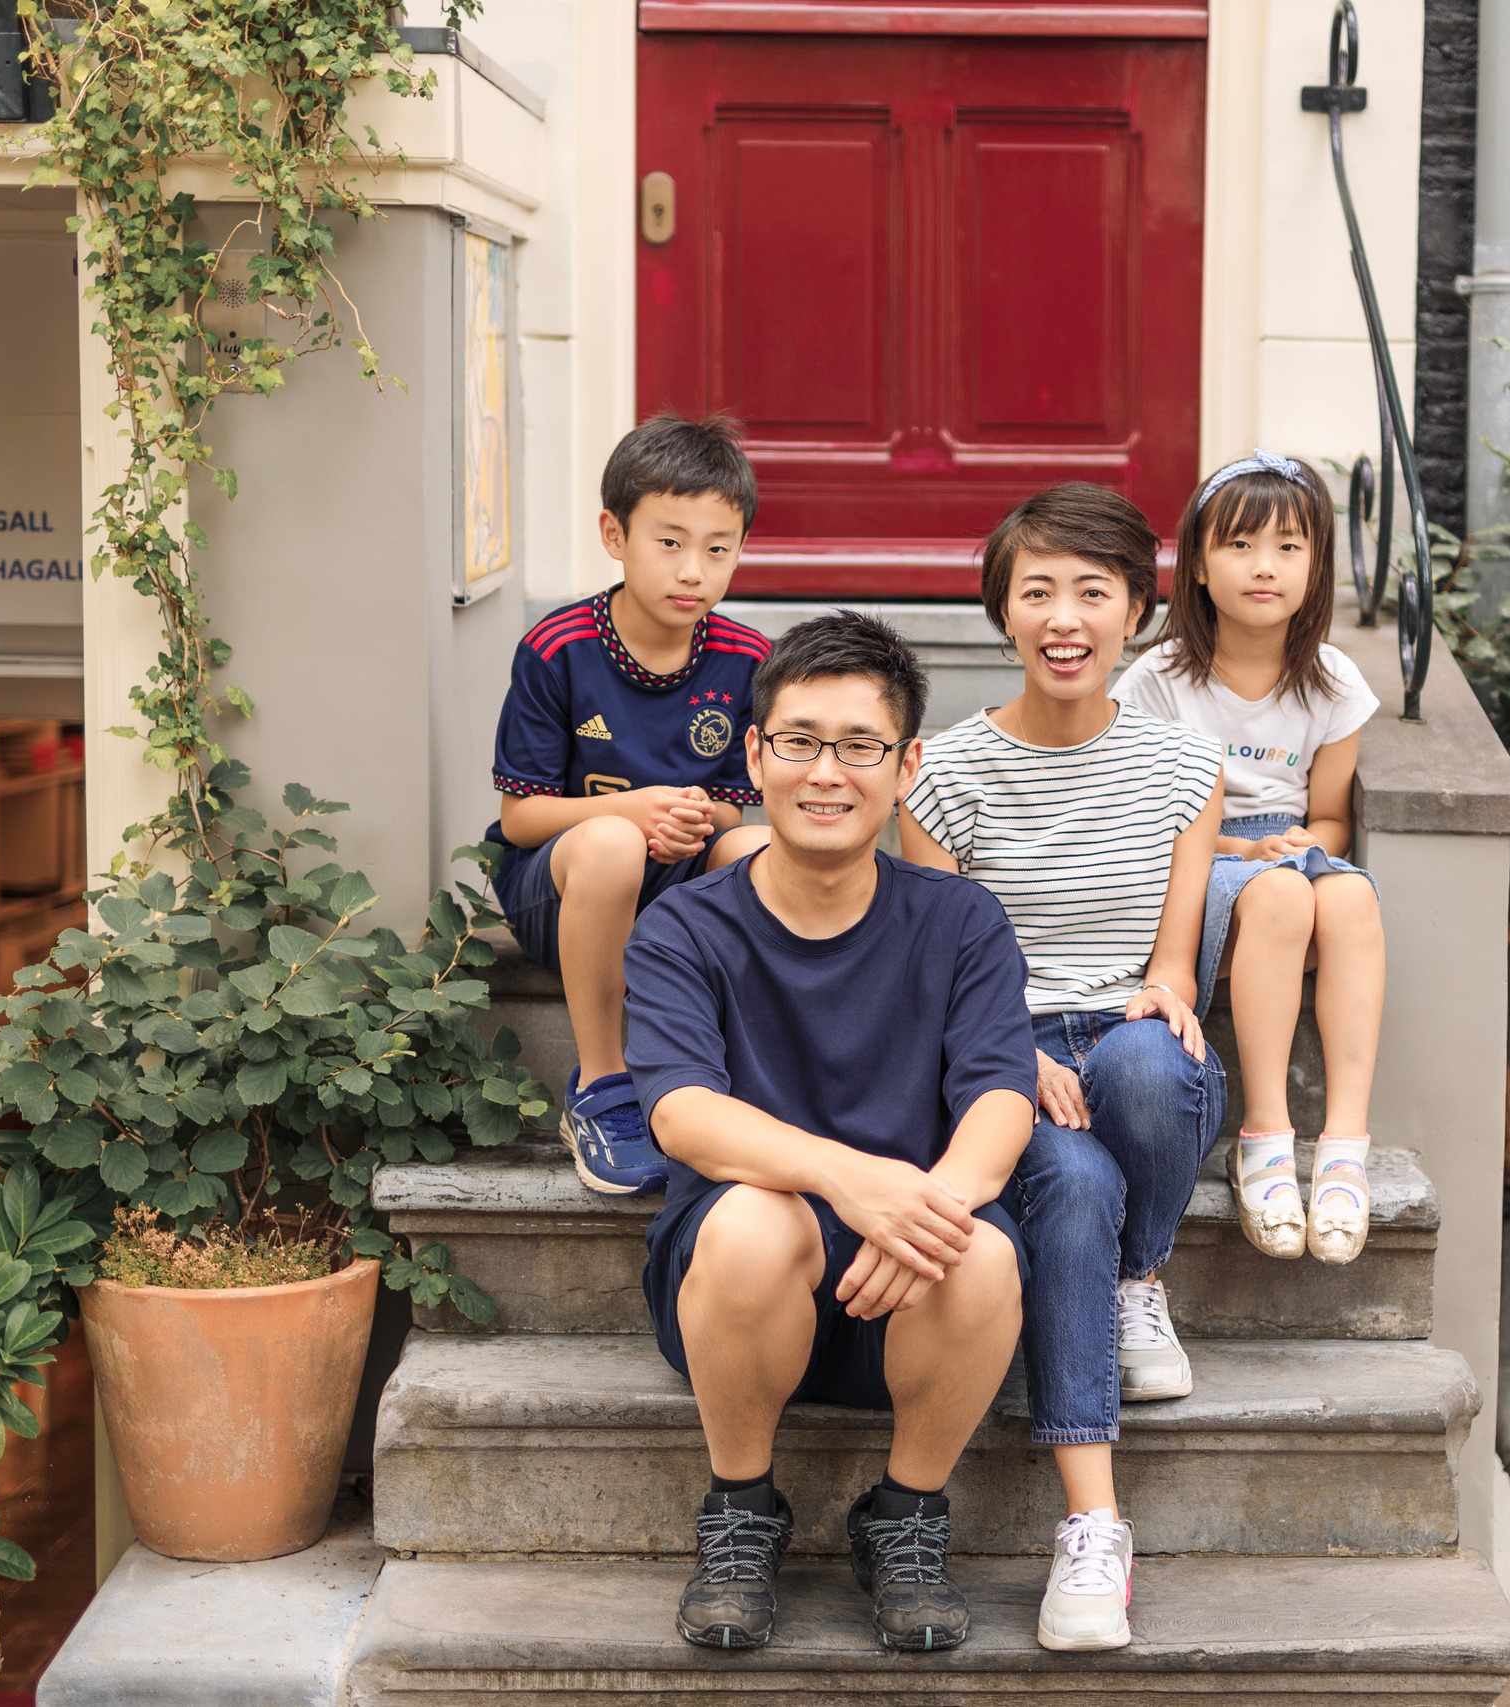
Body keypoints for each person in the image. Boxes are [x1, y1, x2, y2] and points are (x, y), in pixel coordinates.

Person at [626, 612, 1037, 1655]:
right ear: (755, 755)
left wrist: (927, 1209)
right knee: (757, 1220)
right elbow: (681, 1114)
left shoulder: (959, 921)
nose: (827, 772)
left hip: (909, 1305)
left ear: (905, 769)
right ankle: (740, 1512)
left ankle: (904, 1516)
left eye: (860, 747)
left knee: (980, 1253)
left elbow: (1000, 1097)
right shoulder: (685, 926)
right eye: (800, 741)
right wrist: (855, 1184)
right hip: (740, 1298)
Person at [899, 484, 1226, 1654]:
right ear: (1001, 613)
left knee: (1149, 1065)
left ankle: (1141, 1277)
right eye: (1036, 590)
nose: (1065, 616)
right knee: (1070, 1186)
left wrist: (1161, 997)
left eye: (1094, 590)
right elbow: (940, 963)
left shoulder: (1186, 767)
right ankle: (1095, 1531)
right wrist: (1013, 1051)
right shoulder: (941, 777)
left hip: (1130, 1038)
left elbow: (1174, 966)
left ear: (1138, 610)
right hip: (998, 1051)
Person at [483, 412, 773, 1196]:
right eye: (670, 542)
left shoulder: (748, 661)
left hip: (674, 885)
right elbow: (520, 818)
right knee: (612, 842)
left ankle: (742, 1070)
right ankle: (605, 1086)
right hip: (564, 891)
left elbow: (732, 815)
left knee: (756, 855)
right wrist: (633, 813)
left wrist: (690, 820)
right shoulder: (560, 648)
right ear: (615, 534)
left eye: (719, 549)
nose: (694, 571)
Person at [1115, 449, 1388, 1265]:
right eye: (1239, 545)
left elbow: (1333, 814)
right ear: (1197, 564)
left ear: (1316, 566)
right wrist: (1245, 848)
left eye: (1287, 547)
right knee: (1277, 897)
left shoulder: (1331, 683)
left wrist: (1311, 845)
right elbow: (1151, 818)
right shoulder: (1160, 680)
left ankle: (1343, 1147)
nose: (1263, 567)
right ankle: (1264, 1137)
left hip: (1286, 852)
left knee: (1349, 898)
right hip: (1198, 863)